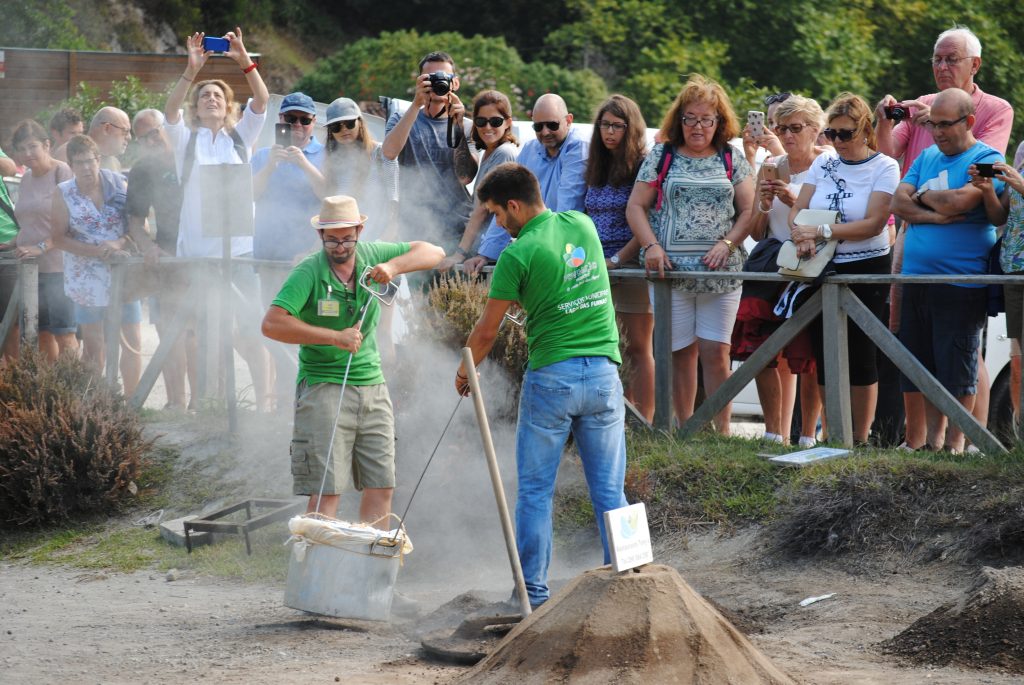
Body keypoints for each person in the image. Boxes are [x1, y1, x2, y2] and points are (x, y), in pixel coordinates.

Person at [455, 162, 627, 609]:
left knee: (535, 491)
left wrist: (464, 370)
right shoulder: (582, 224)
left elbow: (488, 331)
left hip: (553, 377)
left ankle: (530, 593)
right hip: (605, 375)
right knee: (610, 490)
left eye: (496, 213)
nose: (496, 222)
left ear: (513, 206)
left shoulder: (517, 254)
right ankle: (630, 583)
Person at [261, 195, 444, 521]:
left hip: (373, 386)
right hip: (323, 386)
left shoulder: (373, 254)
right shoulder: (308, 273)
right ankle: (317, 567)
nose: (340, 246)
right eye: (332, 239)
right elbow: (272, 323)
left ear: (360, 229)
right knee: (326, 490)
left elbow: (435, 252)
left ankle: (368, 567)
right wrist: (334, 337)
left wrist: (392, 266)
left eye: (347, 238)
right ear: (320, 236)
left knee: (382, 486)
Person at [876, 25, 1014, 449]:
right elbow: (895, 193)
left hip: (960, 277)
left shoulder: (991, 135)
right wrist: (931, 212)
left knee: (960, 362)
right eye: (937, 58)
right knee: (916, 358)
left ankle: (958, 444)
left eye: (950, 58)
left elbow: (966, 200)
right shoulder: (926, 130)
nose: (935, 132)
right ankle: (921, 444)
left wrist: (926, 197)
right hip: (916, 271)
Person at [626, 73, 755, 434]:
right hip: (670, 274)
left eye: (706, 119)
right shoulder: (661, 156)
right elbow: (636, 207)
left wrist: (727, 243)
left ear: (720, 122)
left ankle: (722, 433)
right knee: (681, 353)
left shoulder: (732, 158)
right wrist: (651, 247)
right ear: (678, 120)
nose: (698, 127)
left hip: (722, 273)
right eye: (690, 119)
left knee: (717, 353)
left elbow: (749, 209)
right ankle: (687, 431)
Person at [163, 28, 272, 411]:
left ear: (228, 107)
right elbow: (170, 113)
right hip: (198, 254)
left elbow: (261, 99)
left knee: (249, 329)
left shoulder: (241, 138)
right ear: (197, 108)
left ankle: (263, 404)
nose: (210, 99)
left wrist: (244, 60)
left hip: (239, 251)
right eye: (203, 96)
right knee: (207, 332)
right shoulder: (186, 141)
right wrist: (192, 70)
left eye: (217, 96)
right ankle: (213, 405)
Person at [789, 93, 900, 445]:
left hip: (866, 263)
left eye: (845, 134)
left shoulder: (885, 166)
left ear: (865, 130)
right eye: (832, 134)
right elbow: (799, 209)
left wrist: (820, 231)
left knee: (861, 351)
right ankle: (834, 434)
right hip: (822, 262)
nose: (837, 142)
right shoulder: (823, 164)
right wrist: (799, 235)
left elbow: (873, 223)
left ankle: (859, 438)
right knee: (825, 351)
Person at [733, 95, 828, 447]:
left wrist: (793, 202)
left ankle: (807, 436)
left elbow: (833, 220)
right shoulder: (771, 165)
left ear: (816, 130)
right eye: (781, 128)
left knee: (810, 353)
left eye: (796, 128)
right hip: (773, 262)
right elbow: (758, 231)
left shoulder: (828, 165)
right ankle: (774, 432)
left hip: (812, 262)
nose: (787, 135)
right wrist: (765, 203)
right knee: (763, 348)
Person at [583, 94, 655, 422]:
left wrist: (617, 259)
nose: (610, 132)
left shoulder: (643, 163)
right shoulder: (597, 164)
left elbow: (646, 221)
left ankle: (644, 419)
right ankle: (613, 417)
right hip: (598, 267)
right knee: (606, 346)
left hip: (631, 264)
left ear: (631, 128)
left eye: (617, 126)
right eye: (605, 125)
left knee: (637, 347)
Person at [51, 135, 141, 394]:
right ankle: (96, 403)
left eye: (90, 162)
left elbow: (140, 225)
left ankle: (134, 404)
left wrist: (120, 242)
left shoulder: (119, 184)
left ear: (99, 160)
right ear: (70, 165)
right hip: (85, 278)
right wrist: (95, 252)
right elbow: (58, 238)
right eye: (79, 163)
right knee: (94, 343)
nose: (86, 168)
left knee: (132, 339)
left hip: (124, 274)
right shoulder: (64, 192)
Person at [463, 93, 589, 273]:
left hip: (566, 255)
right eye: (538, 126)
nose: (545, 131)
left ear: (569, 120)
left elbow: (567, 209)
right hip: (537, 251)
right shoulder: (530, 149)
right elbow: (505, 204)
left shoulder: (579, 147)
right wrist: (485, 255)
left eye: (552, 125)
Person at [125, 108, 190, 410]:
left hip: (202, 255)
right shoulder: (142, 170)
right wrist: (146, 246)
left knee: (202, 332)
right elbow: (135, 223)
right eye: (143, 137)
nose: (151, 140)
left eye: (154, 132)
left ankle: (205, 405)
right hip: (166, 257)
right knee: (168, 330)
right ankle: (175, 403)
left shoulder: (193, 153)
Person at [382, 51, 476, 251]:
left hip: (458, 229)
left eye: (444, 78)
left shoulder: (467, 126)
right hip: (416, 227)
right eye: (431, 79)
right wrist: (416, 104)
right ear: (420, 82)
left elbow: (466, 176)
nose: (437, 84)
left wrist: (457, 125)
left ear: (455, 83)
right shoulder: (402, 118)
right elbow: (389, 153)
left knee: (456, 284)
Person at [8, 119, 78, 361]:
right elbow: (31, 222)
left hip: (60, 268)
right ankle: (52, 393)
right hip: (31, 271)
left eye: (32, 146)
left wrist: (40, 247)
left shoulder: (63, 172)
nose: (27, 154)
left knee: (65, 334)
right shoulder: (26, 178)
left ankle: (73, 389)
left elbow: (71, 224)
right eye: (21, 149)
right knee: (43, 334)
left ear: (46, 144)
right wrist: (13, 242)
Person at [438, 90, 519, 271]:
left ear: (508, 123)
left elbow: (482, 210)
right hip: (481, 250)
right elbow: (464, 177)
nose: (487, 127)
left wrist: (459, 253)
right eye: (481, 121)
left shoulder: (504, 153)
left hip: (490, 254)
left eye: (495, 121)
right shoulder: (490, 152)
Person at [252, 92, 325, 264]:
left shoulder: (326, 155)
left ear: (314, 121)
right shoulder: (262, 156)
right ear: (281, 118)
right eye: (291, 118)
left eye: (305, 120)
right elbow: (248, 197)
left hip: (310, 254)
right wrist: (269, 167)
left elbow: (329, 196)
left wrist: (305, 164)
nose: (298, 125)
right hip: (268, 253)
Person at [316, 97, 399, 242]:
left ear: (359, 123)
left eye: (349, 123)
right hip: (345, 245)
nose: (344, 130)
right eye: (336, 126)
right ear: (331, 132)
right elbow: (331, 214)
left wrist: (384, 240)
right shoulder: (332, 163)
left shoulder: (380, 153)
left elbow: (394, 202)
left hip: (378, 243)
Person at [742, 91, 789, 168]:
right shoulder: (769, 160)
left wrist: (778, 153)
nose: (774, 127)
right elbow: (752, 180)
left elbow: (793, 179)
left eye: (779, 121)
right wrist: (750, 156)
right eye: (770, 122)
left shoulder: (811, 159)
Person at [85, 106, 132, 171]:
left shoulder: (115, 163)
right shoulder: (71, 153)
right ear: (106, 128)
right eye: (125, 131)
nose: (129, 137)